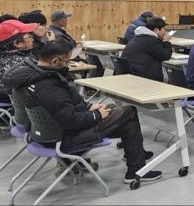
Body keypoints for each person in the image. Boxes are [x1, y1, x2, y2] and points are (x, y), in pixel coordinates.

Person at [3, 39, 162, 183]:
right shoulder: (48, 85)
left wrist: (87, 107)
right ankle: (136, 169)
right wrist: (96, 114)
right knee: (129, 112)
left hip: (43, 132)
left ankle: (137, 164)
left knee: (124, 120)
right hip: (64, 137)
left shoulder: (29, 77)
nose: (68, 66)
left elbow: (60, 108)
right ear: (55, 61)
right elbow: (71, 120)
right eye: (67, 62)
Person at [122, 16, 173, 82]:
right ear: (156, 30)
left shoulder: (140, 36)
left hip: (132, 72)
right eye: (163, 28)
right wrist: (166, 41)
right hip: (142, 76)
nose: (165, 31)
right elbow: (166, 55)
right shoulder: (150, 40)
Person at [0, 20, 37, 102]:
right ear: (17, 43)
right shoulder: (20, 63)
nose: (33, 39)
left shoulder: (5, 57)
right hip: (17, 106)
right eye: (29, 37)